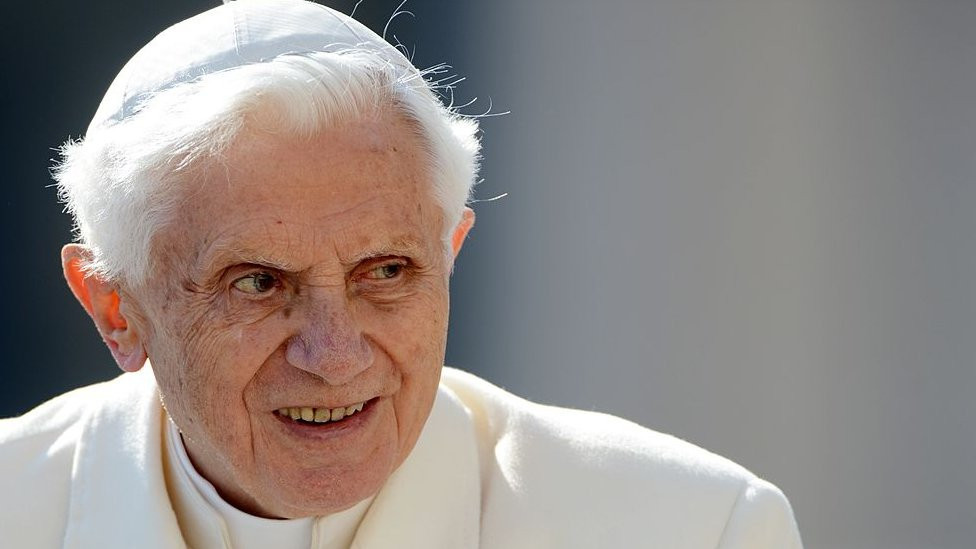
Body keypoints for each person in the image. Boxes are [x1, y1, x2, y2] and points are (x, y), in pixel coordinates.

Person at [0, 1, 802, 547]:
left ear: (450, 250)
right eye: (257, 283)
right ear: (114, 306)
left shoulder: (690, 528)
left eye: (385, 270)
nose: (335, 353)